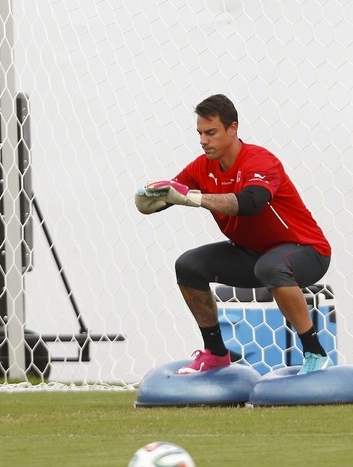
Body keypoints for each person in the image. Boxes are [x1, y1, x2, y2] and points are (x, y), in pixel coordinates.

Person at [134, 94, 334, 375]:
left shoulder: (260, 160)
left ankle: (316, 353)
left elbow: (251, 203)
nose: (203, 140)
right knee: (188, 266)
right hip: (254, 256)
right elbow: (172, 193)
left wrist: (193, 198)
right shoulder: (201, 167)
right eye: (200, 133)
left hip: (307, 251)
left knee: (272, 266)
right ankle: (216, 354)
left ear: (233, 129)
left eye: (211, 132)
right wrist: (150, 198)